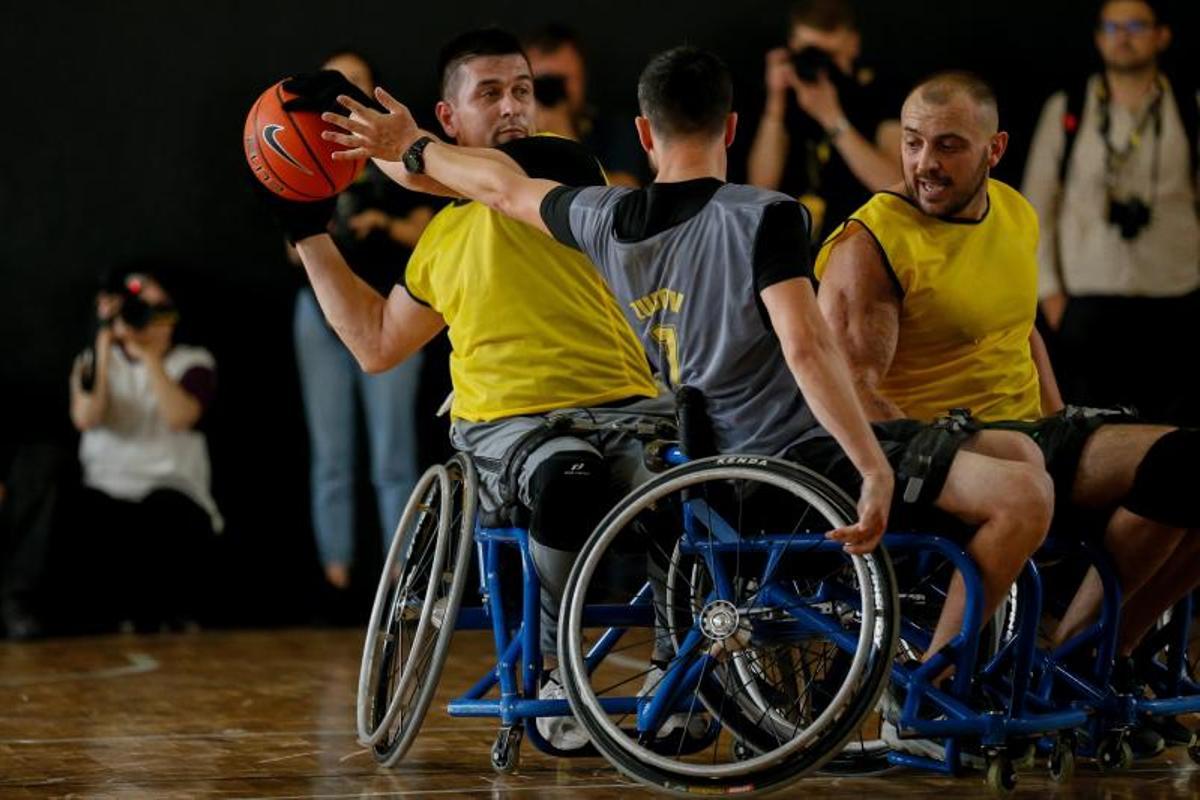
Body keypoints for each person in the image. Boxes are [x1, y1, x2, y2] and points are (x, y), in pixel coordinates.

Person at [318, 44, 1055, 692]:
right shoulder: (765, 214)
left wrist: (412, 147)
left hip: (709, 463)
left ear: (643, 133)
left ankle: (941, 657)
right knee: (1024, 495)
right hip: (792, 462)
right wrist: (872, 465)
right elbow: (806, 347)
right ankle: (928, 690)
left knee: (1021, 453)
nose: (513, 108)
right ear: (733, 129)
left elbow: (503, 189)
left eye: (521, 92)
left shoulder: (606, 218)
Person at [258, 28, 668, 750]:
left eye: (522, 90)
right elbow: (375, 343)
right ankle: (557, 669)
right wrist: (308, 230)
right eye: (490, 93)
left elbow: (475, 179)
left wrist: (388, 142)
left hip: (626, 407)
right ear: (448, 117)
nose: (513, 106)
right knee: (570, 479)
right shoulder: (439, 239)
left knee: (688, 486)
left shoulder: (562, 171)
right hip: (517, 430)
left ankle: (679, 675)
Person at [814, 70, 1200, 755]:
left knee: (1191, 464)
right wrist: (943, 467)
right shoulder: (870, 245)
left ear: (994, 149)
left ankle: (1086, 661)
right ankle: (931, 689)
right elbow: (856, 388)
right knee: (1027, 478)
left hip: (1027, 431)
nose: (924, 163)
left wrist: (1060, 420)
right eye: (912, 143)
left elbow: (1020, 329)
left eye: (948, 146)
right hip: (940, 448)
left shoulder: (1016, 212)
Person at [287, 49, 436, 597]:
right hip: (321, 313)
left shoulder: (397, 152)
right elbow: (292, 250)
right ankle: (337, 578)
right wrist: (327, 231)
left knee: (392, 453)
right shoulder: (306, 155)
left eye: (357, 80)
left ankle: (398, 581)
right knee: (331, 452)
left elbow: (429, 228)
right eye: (335, 80)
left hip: (392, 306)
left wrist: (381, 223)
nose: (345, 87)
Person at [1022, 0, 1199, 426]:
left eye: (1136, 24)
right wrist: (1050, 297)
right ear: (1099, 38)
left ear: (1162, 35)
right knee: (1093, 437)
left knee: (1173, 435)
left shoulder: (1189, 108)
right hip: (1086, 305)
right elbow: (1036, 209)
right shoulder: (1068, 107)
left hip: (1174, 300)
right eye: (1112, 26)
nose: (1123, 35)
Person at [67, 267, 220, 631]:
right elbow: (86, 417)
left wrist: (150, 355)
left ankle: (165, 614)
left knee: (162, 514)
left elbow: (180, 416)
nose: (147, 319)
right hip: (107, 489)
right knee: (87, 517)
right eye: (139, 310)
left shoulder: (194, 362)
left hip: (172, 492)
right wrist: (103, 346)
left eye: (158, 310)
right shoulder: (92, 360)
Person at [746, 0, 901, 240]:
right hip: (791, 245)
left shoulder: (884, 93)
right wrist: (775, 104)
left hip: (861, 239)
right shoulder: (787, 96)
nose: (823, 66)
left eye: (830, 55)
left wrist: (832, 118)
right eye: (812, 54)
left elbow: (895, 186)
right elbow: (760, 187)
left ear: (853, 45)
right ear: (793, 46)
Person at [523, 24, 647, 187]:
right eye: (542, 82)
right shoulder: (512, 131)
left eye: (560, 82)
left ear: (582, 79)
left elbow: (627, 194)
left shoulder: (614, 129)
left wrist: (566, 142)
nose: (552, 91)